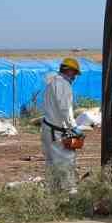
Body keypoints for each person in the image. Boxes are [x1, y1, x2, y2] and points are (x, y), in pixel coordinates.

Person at [40, 57, 85, 194]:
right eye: (75, 74)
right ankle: (70, 195)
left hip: (48, 128)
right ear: (70, 71)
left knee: (51, 164)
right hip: (58, 132)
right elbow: (65, 109)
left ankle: (52, 195)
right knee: (66, 163)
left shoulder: (52, 82)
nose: (75, 77)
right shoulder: (64, 85)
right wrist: (74, 128)